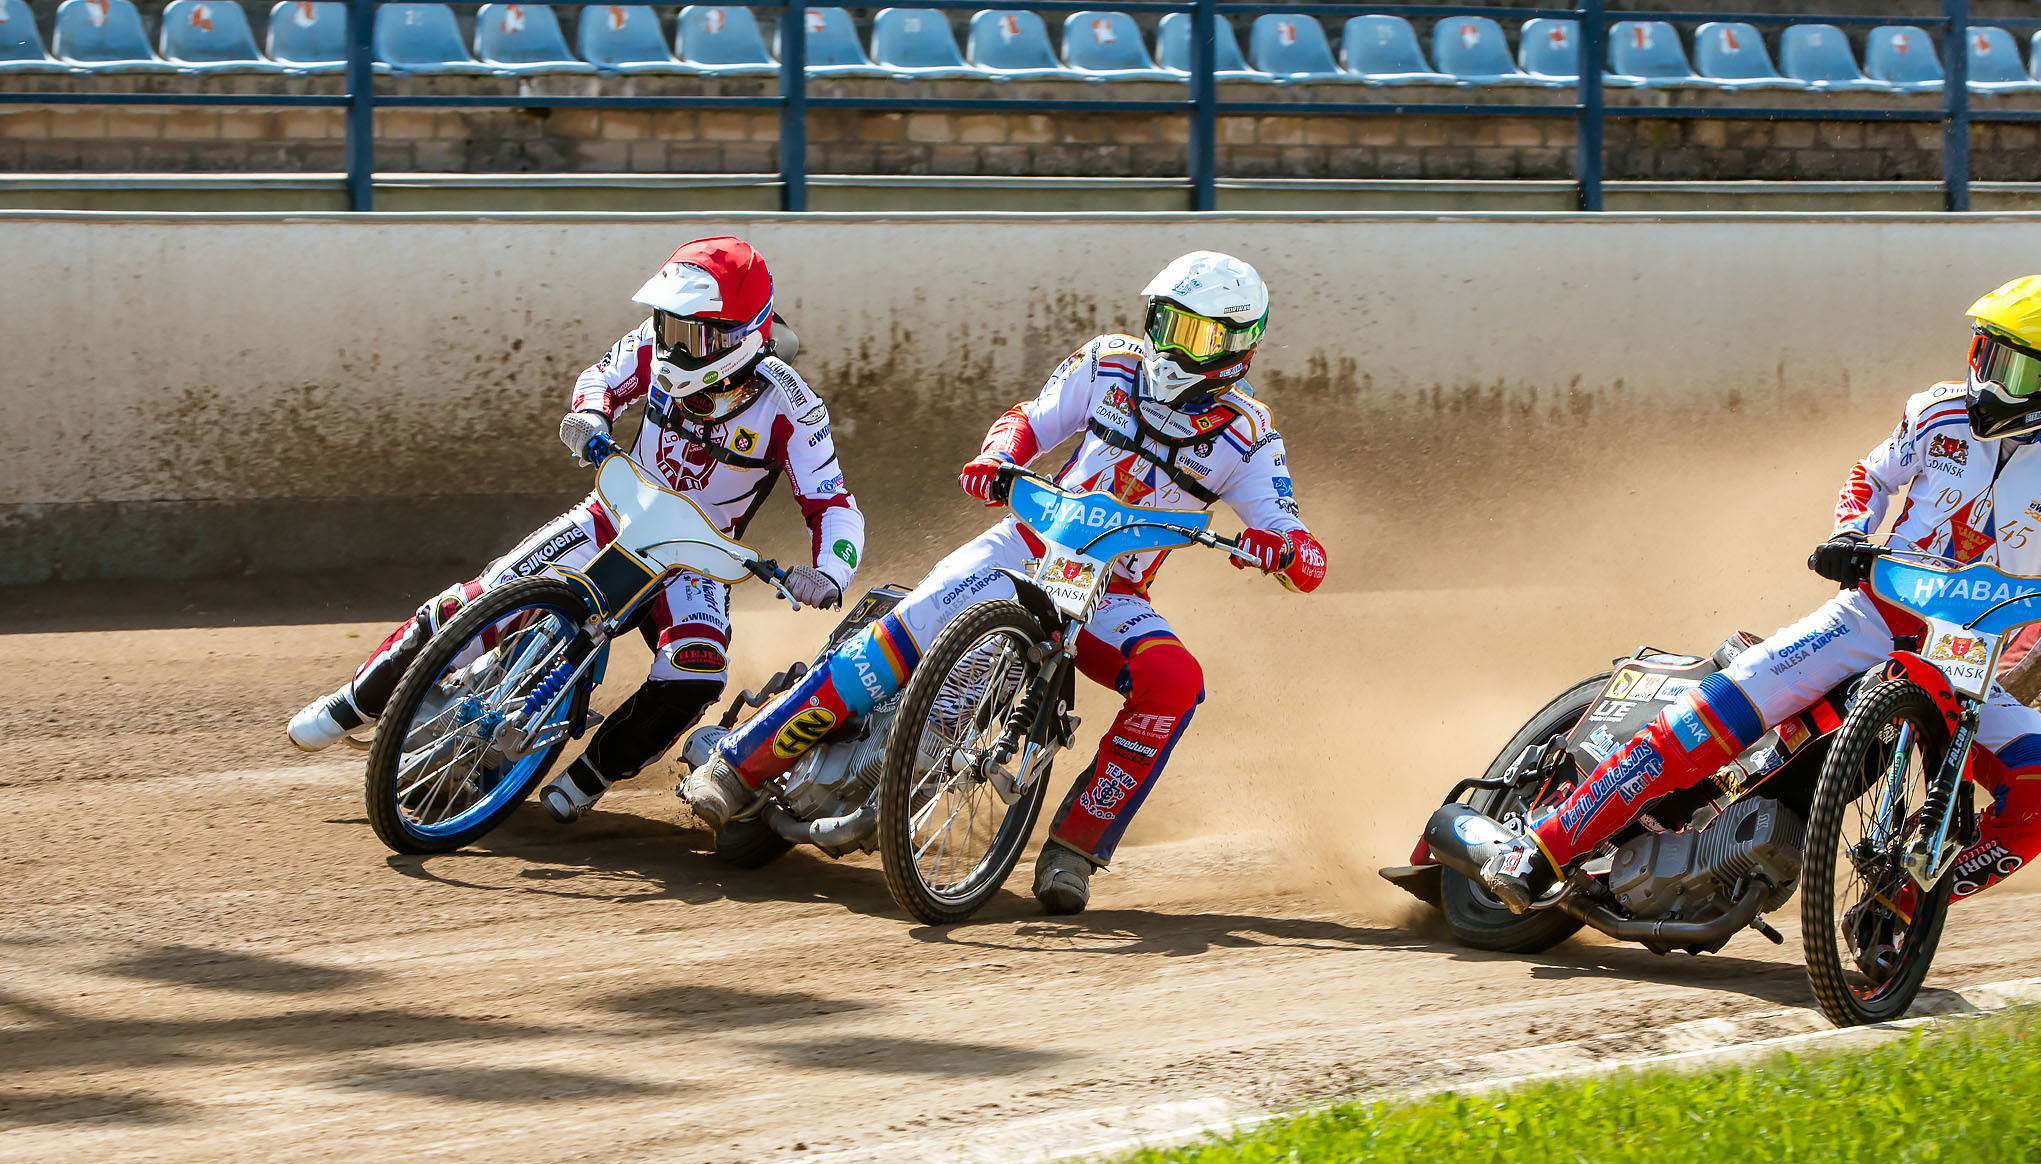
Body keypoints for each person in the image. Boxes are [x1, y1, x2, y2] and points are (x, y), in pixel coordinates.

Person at [1479, 274, 2041, 928]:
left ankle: (1904, 894)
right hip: (1867, 619)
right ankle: (1544, 844)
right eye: (1983, 351)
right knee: (1706, 721)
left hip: (1966, 664)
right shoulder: (1936, 412)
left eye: (2009, 366)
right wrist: (1849, 531)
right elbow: (1870, 476)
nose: (1985, 377)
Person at [679, 250, 1327, 915]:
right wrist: (999, 457)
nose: (1168, 345)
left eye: (1194, 335)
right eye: (1164, 322)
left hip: (1113, 593)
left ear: (1238, 346)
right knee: (908, 626)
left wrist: (1278, 549)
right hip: (1026, 541)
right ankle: (736, 765)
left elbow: (1301, 547)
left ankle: (1075, 848)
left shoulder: (1250, 438)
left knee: (1176, 681)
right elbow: (1032, 418)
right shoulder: (1109, 362)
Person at [284, 235, 862, 824]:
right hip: (610, 518)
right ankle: (355, 703)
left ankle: (591, 776)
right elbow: (601, 377)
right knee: (474, 603)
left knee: (697, 669)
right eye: (666, 325)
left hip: (696, 561)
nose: (671, 344)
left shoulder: (793, 405)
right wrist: (589, 415)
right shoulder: (655, 349)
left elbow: (835, 507)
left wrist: (827, 573)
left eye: (690, 334)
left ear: (742, 334)